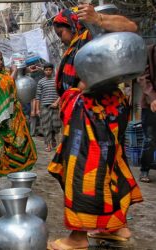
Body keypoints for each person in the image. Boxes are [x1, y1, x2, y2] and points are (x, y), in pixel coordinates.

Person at [47, 4, 143, 250]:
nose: (61, 39)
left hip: (93, 110)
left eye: (61, 34)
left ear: (71, 24)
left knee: (82, 169)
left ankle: (78, 237)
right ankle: (116, 227)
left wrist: (98, 18)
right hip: (103, 109)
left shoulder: (92, 32)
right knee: (111, 165)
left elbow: (131, 27)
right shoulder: (81, 42)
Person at [0, 49, 37, 194]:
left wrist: (25, 70)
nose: (0, 63)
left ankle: (18, 179)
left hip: (13, 120)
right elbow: (6, 85)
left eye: (1, 60)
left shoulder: (3, 73)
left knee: (20, 146)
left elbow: (15, 82)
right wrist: (14, 72)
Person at [138, 44, 156, 183]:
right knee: (149, 139)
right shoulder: (149, 50)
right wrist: (153, 98)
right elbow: (143, 77)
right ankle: (144, 169)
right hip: (150, 104)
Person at [35, 63, 61, 152]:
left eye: (50, 70)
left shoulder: (56, 81)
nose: (48, 71)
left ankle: (54, 138)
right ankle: (48, 145)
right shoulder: (40, 82)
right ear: (44, 70)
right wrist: (37, 109)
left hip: (55, 106)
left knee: (56, 125)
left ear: (52, 70)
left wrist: (57, 103)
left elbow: (61, 93)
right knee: (46, 126)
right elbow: (38, 96)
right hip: (44, 106)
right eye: (46, 70)